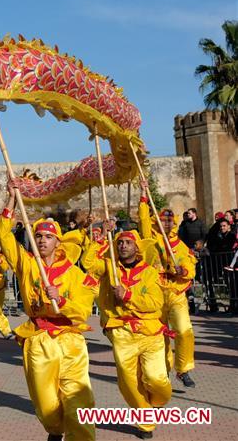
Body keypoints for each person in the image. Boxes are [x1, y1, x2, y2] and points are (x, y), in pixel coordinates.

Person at [0, 180, 96, 441]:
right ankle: (54, 429)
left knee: (79, 403)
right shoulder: (27, 265)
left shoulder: (74, 274)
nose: (42, 240)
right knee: (46, 405)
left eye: (48, 237)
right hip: (38, 340)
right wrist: (11, 201)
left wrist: (61, 301)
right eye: (38, 236)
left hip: (70, 340)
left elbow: (83, 309)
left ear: (57, 241)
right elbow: (4, 237)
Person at [83, 230, 171, 439]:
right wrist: (100, 240)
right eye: (119, 242)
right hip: (121, 331)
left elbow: (155, 303)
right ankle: (145, 420)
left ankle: (157, 402)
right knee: (128, 380)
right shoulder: (109, 267)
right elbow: (88, 264)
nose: (123, 246)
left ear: (136, 248)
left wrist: (128, 295)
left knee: (156, 379)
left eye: (127, 243)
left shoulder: (149, 272)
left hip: (150, 331)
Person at [137, 181, 198, 388]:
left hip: (176, 293)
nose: (166, 224)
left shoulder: (179, 246)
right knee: (159, 335)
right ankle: (162, 370)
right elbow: (143, 217)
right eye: (163, 221)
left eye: (170, 221)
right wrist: (144, 195)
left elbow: (190, 266)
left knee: (184, 330)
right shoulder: (150, 240)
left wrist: (184, 271)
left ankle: (184, 369)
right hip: (155, 294)